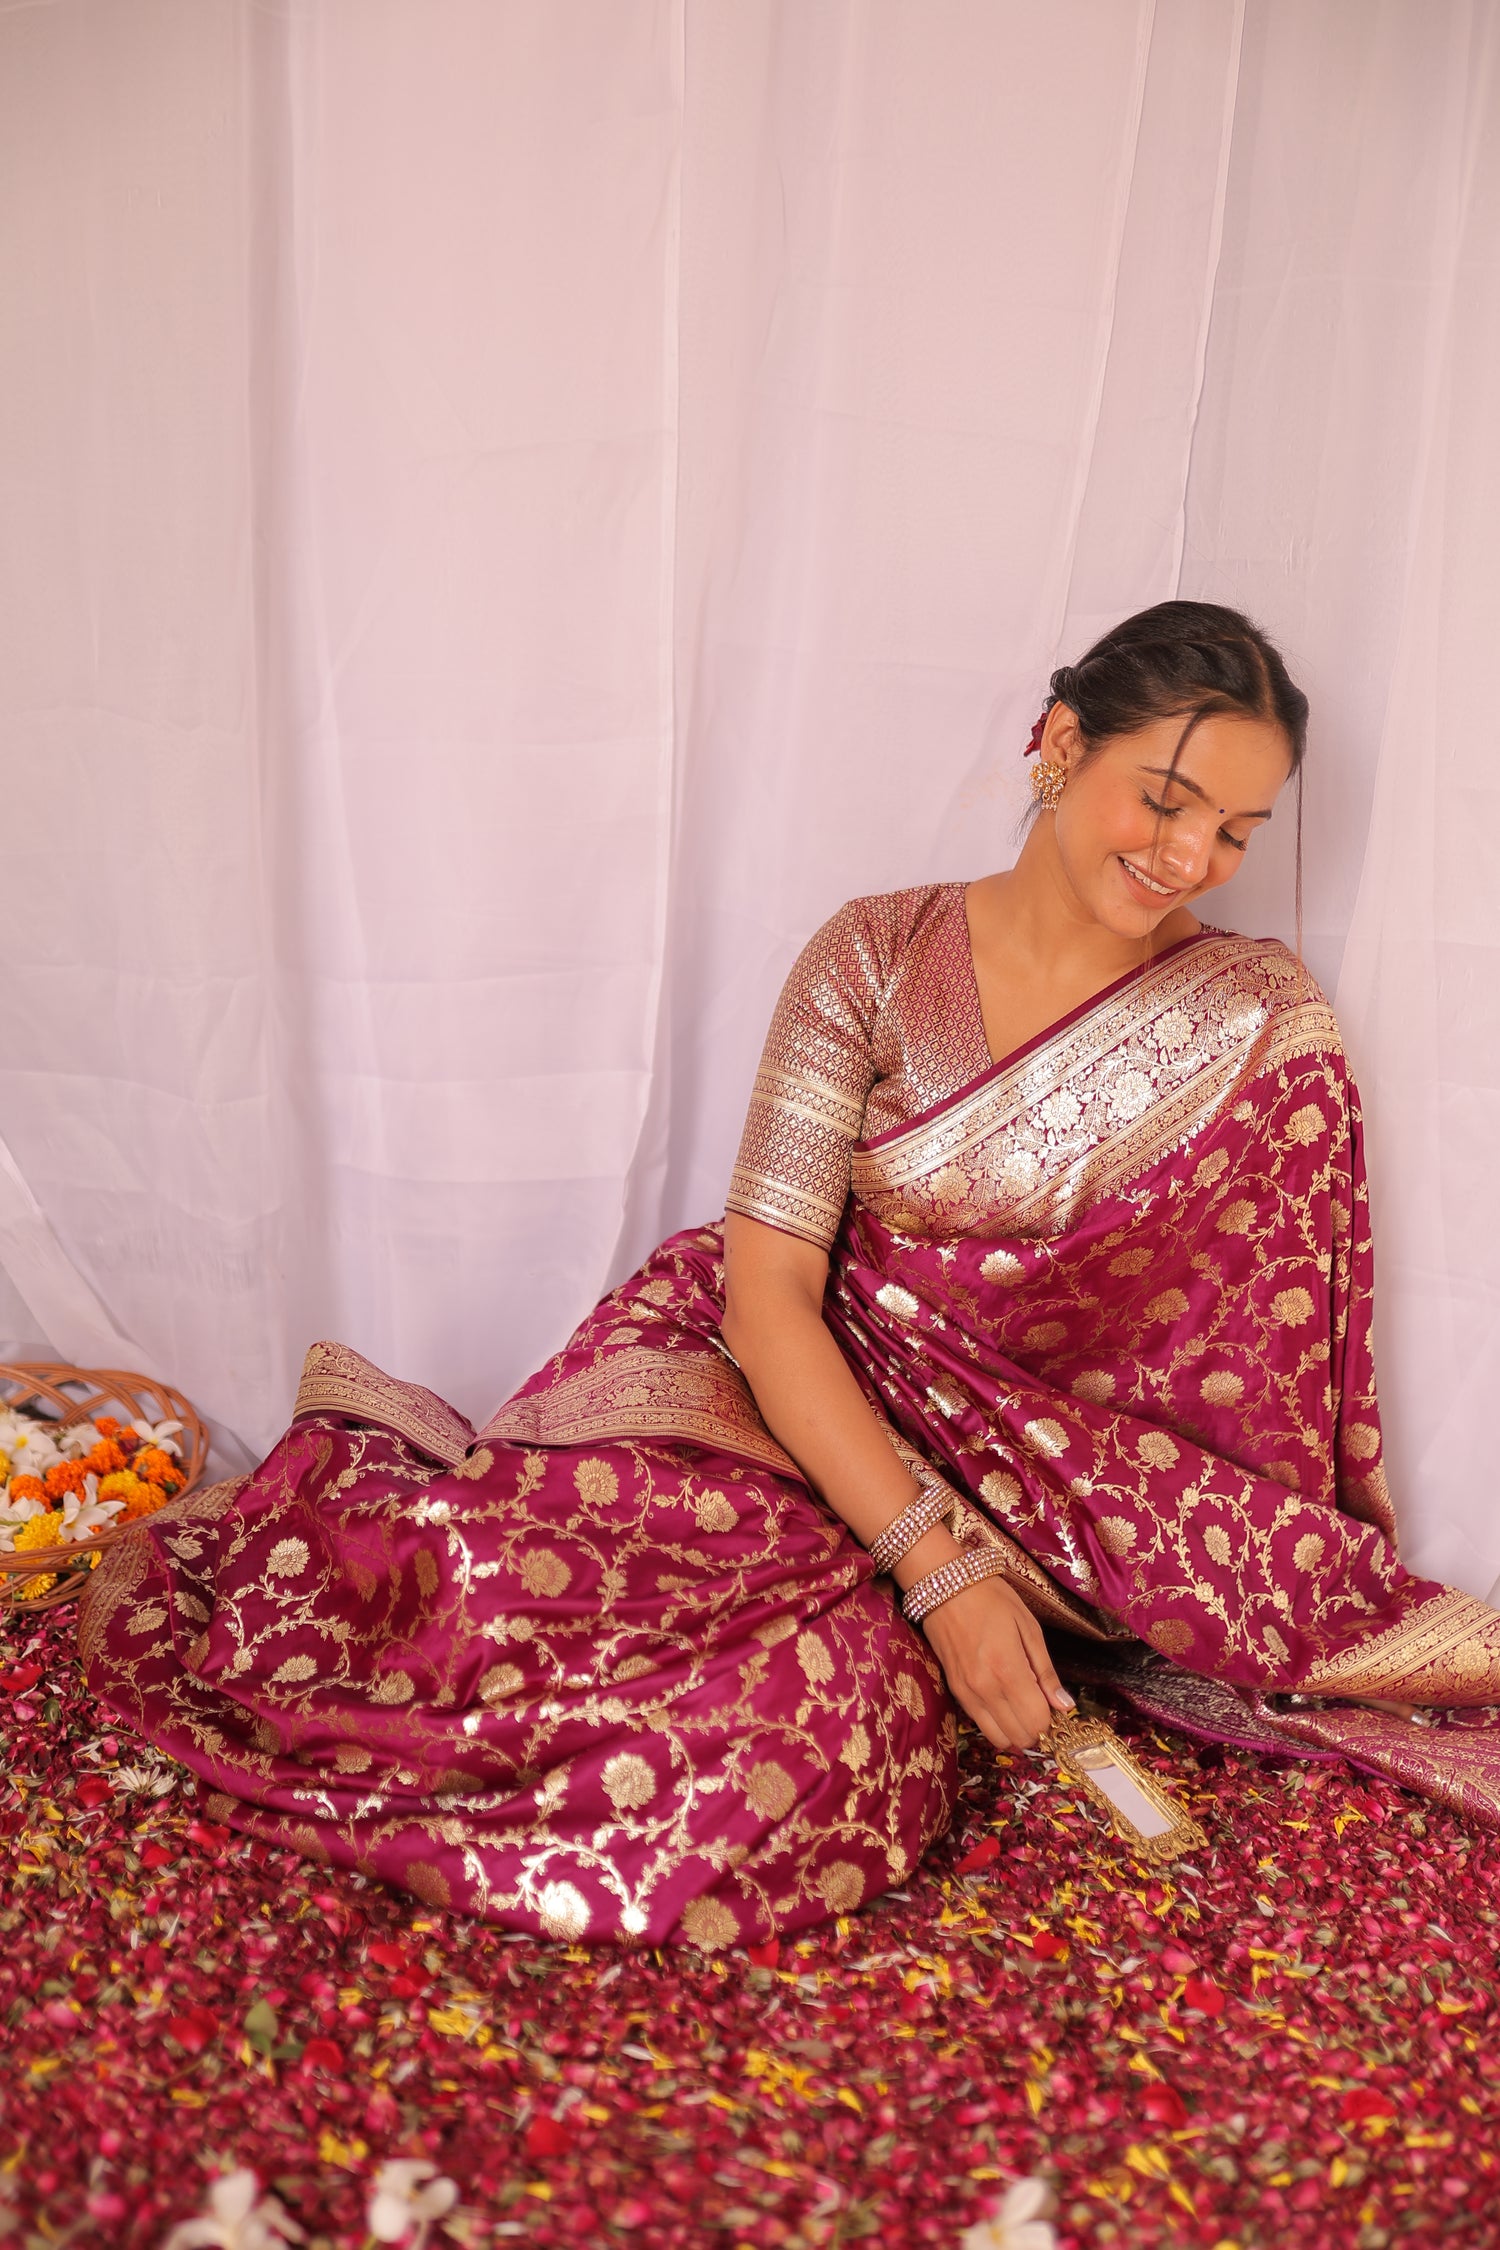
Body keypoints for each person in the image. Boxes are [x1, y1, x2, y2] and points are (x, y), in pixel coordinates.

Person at [80, 601, 1500, 1947]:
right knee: (519, 1611)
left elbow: (1249, 1382)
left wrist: (1010, 1554)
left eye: (1238, 830)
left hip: (1040, 1502)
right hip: (768, 1386)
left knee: (811, 1753)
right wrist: (934, 1573)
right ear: (1062, 742)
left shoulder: (1258, 1024)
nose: (1192, 857)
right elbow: (768, 1290)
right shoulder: (874, 955)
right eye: (1168, 798)